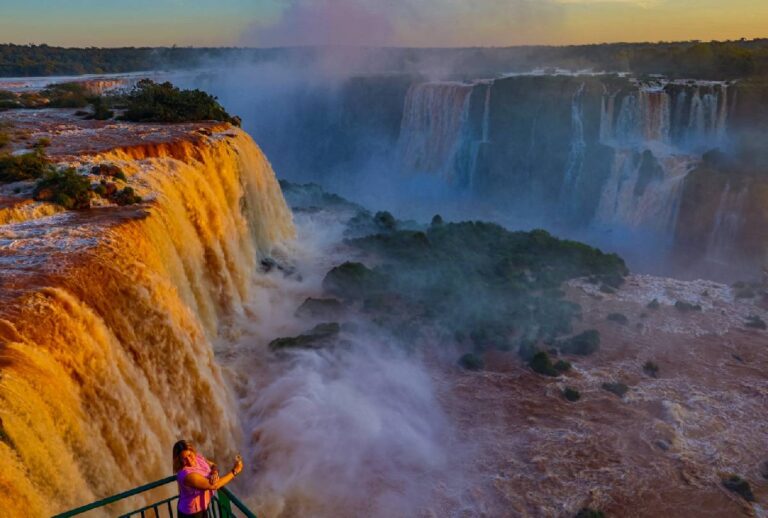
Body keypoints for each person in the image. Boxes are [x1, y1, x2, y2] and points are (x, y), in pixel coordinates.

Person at [172, 439, 244, 518]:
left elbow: (213, 465)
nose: (189, 460)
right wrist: (235, 471)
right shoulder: (186, 475)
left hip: (202, 507)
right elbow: (215, 485)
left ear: (193, 451)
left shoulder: (198, 458)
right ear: (179, 460)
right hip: (191, 513)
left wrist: (214, 472)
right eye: (184, 458)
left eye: (189, 455)